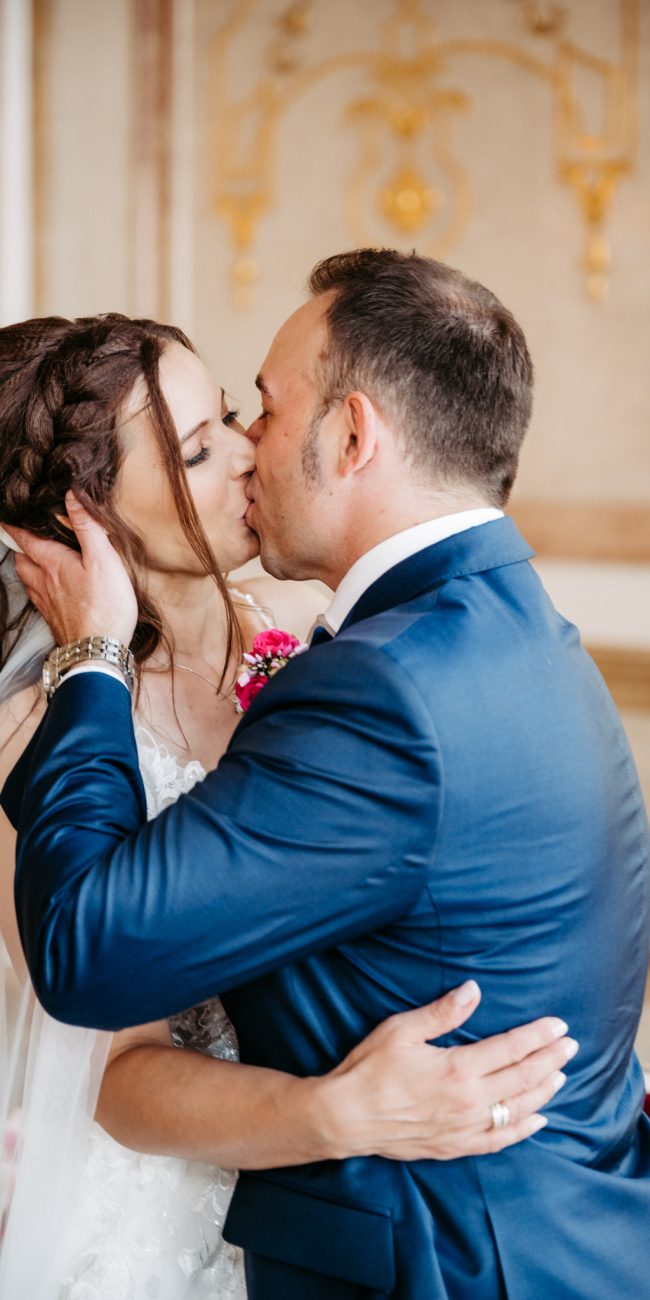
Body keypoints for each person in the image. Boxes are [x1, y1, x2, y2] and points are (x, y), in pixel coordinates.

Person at [4, 248, 649, 1298]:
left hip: (442, 1251)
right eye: (202, 441)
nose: (248, 452)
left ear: (351, 434)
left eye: (247, 414)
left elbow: (93, 940)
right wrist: (331, 1110)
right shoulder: (499, 627)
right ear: (92, 511)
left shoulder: (363, 681)